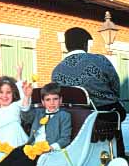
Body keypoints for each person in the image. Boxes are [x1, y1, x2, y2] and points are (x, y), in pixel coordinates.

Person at [52, 27, 126, 155]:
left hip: (73, 116)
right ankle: (118, 156)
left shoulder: (56, 71)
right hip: (102, 114)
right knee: (119, 111)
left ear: (66, 46)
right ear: (85, 44)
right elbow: (115, 85)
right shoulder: (100, 60)